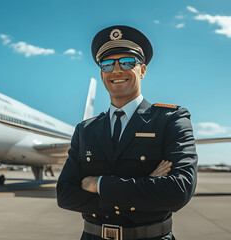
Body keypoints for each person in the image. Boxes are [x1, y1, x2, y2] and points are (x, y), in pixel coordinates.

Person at [56, 25, 198, 240]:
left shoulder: (171, 119)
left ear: (142, 70)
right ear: (101, 72)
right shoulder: (85, 130)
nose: (116, 70)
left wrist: (98, 184)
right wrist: (145, 186)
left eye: (127, 62)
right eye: (107, 64)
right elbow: (65, 195)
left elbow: (178, 191)